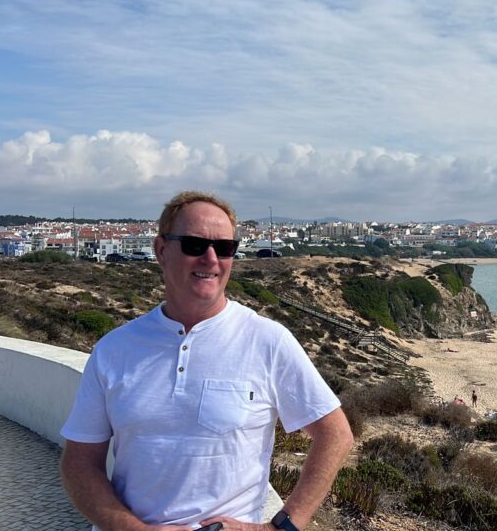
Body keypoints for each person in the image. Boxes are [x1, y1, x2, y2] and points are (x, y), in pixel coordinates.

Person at [60, 191, 354, 531]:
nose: (211, 259)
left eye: (225, 247)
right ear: (161, 250)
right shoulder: (114, 349)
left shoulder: (268, 340)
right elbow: (79, 463)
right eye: (194, 245)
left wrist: (283, 527)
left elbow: (335, 434)